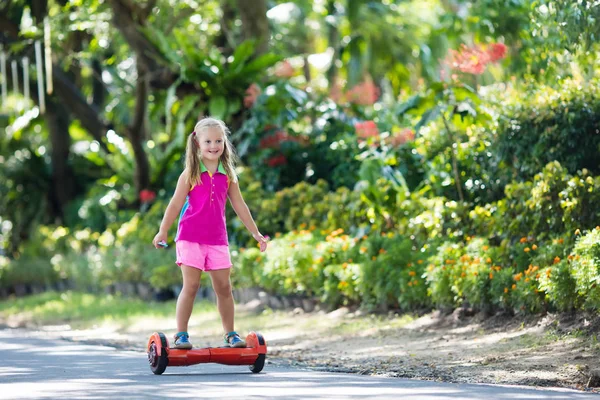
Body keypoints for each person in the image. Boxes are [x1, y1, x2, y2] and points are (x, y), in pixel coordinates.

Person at [152, 117, 268, 349]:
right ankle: (181, 335)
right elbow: (175, 204)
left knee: (224, 288)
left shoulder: (229, 175)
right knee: (191, 286)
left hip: (217, 240)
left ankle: (231, 334)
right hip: (190, 237)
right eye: (208, 141)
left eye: (218, 140)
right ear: (197, 144)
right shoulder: (190, 173)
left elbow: (240, 205)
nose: (214, 145)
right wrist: (163, 230)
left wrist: (256, 233)